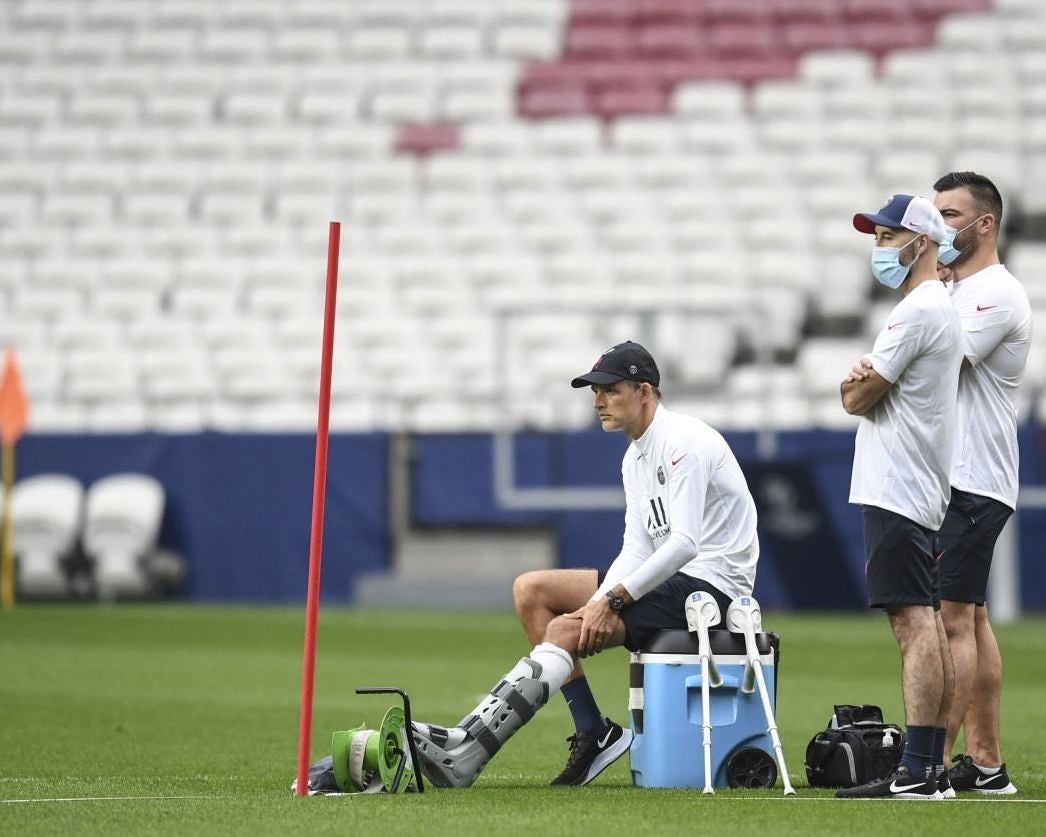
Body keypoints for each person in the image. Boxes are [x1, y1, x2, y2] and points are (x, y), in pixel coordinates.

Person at [408, 341, 761, 789]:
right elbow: (636, 548)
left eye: (610, 390)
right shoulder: (635, 455)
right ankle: (594, 730)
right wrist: (598, 604)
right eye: (595, 392)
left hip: (711, 588)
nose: (598, 402)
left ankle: (468, 749)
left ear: (644, 391)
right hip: (671, 578)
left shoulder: (684, 443)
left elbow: (685, 544)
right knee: (531, 591)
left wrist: (610, 600)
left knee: (562, 632)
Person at [836, 194, 963, 800]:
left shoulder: (916, 311)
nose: (879, 249)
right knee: (928, 621)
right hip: (919, 484)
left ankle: (916, 770)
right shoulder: (935, 306)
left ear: (921, 241)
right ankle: (929, 766)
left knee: (912, 624)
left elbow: (855, 398)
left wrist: (858, 380)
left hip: (898, 485)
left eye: (888, 237)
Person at [932, 172, 1030, 795]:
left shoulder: (994, 293)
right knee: (971, 618)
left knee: (949, 622)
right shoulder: (961, 291)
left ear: (984, 223)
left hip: (971, 477)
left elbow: (936, 364)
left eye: (950, 214)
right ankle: (986, 763)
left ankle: (929, 764)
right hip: (958, 475)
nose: (938, 226)